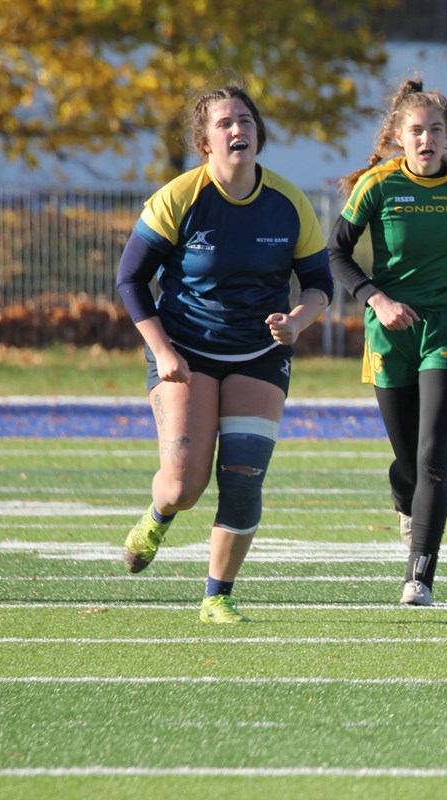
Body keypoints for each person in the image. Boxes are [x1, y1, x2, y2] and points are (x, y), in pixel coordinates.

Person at [116, 84, 332, 623]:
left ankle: (217, 595)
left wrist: (298, 322)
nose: (238, 130)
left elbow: (320, 282)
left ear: (259, 133)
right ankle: (158, 515)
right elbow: (130, 278)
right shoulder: (180, 196)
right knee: (185, 484)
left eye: (246, 120)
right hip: (184, 350)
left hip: (259, 353)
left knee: (243, 474)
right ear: (204, 141)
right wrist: (161, 349)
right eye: (224, 123)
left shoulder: (288, 203)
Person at [328, 76, 447, 608]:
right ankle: (405, 501)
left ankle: (420, 575)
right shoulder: (378, 186)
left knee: (433, 455)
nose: (426, 138)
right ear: (400, 137)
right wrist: (376, 299)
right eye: (416, 130)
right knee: (408, 460)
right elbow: (337, 254)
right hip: (390, 330)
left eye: (435, 129)